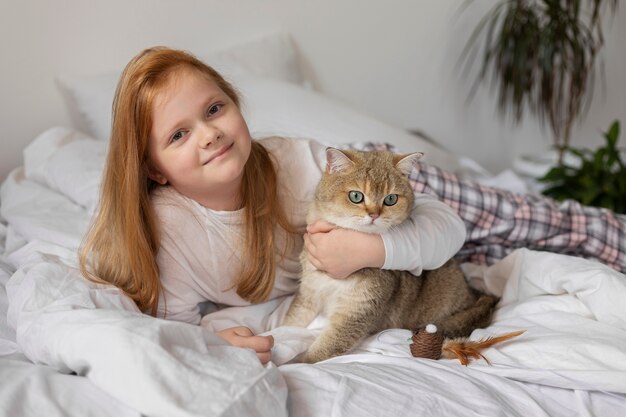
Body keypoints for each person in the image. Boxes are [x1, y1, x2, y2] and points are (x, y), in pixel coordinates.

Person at [79, 46, 466, 364]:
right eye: (179, 134)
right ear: (154, 170)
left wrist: (375, 249)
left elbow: (448, 225)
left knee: (453, 189)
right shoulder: (170, 230)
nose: (210, 134)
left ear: (236, 104)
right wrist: (214, 343)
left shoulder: (299, 164)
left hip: (378, 187)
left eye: (214, 109)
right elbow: (171, 326)